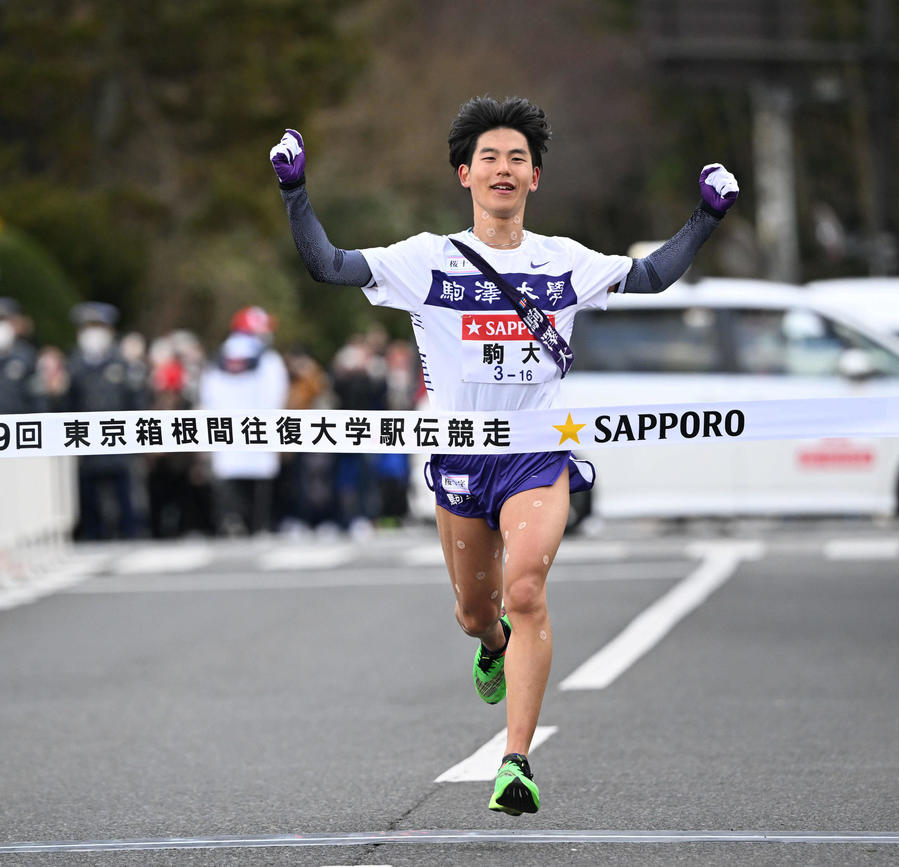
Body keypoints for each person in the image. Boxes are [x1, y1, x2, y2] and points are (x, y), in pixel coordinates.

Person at [270, 96, 737, 815]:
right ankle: (491, 642)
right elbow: (328, 265)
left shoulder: (565, 261)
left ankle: (514, 759)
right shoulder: (425, 260)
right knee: (474, 612)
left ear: (535, 178)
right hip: (461, 458)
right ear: (464, 174)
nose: (503, 168)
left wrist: (705, 218)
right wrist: (295, 192)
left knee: (526, 591)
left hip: (536, 454)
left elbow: (648, 278)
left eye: (518, 157)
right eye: (488, 156)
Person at [199, 306, 290, 535]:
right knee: (260, 480)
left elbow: (208, 396)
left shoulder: (218, 358)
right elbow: (276, 396)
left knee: (228, 476)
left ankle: (230, 521)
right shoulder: (269, 359)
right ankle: (258, 525)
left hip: (225, 430)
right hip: (259, 429)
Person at [64, 302, 146, 540]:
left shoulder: (122, 365)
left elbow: (136, 403)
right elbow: (67, 405)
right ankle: (93, 534)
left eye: (98, 326)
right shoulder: (74, 366)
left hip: (119, 441)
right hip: (85, 442)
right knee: (88, 495)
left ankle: (130, 532)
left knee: (125, 493)